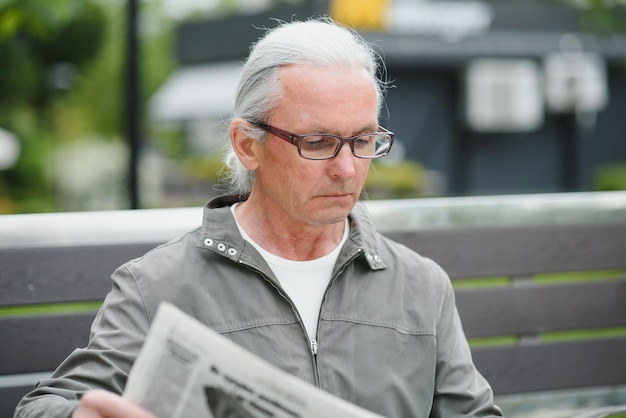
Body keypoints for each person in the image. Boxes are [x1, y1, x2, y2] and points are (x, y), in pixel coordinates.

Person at [15, 18, 503, 418]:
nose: (348, 167)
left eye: (363, 140)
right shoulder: (157, 287)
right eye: (317, 142)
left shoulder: (421, 286)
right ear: (248, 145)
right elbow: (43, 407)